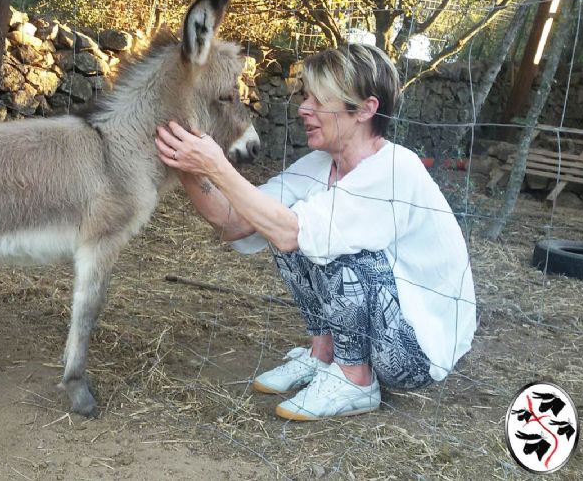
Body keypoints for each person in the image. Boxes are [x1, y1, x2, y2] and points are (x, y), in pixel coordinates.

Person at [154, 43, 476, 421]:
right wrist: (186, 163)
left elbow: (292, 232)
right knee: (277, 219)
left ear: (366, 110)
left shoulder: (394, 169)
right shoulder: (321, 163)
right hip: (382, 326)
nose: (304, 108)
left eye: (319, 100)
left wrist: (217, 166)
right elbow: (237, 221)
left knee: (322, 239)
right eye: (306, 96)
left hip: (416, 351)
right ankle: (325, 357)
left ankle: (354, 380)